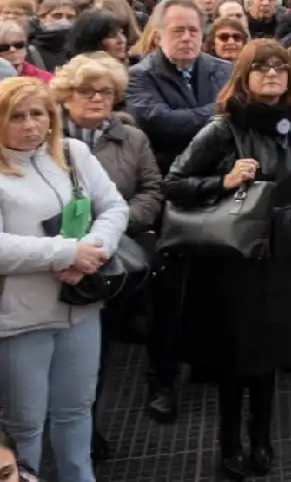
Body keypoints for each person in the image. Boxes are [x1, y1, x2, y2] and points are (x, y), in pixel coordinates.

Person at [163, 40, 291, 480]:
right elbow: (173, 182)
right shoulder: (222, 128)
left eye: (280, 67)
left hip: (280, 253)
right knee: (234, 356)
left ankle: (262, 437)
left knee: (268, 354)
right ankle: (229, 443)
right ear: (244, 75)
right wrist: (223, 180)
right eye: (261, 67)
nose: (272, 74)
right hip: (232, 258)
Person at [0, 77, 129, 482]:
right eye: (17, 116)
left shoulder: (74, 153)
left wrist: (94, 250)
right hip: (19, 319)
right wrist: (66, 252)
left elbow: (113, 207)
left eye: (38, 114)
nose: (31, 125)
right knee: (26, 426)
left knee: (76, 412)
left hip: (81, 307)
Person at [125, 0, 233, 423]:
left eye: (193, 30)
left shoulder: (222, 69)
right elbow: (157, 123)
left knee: (210, 288)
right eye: (177, 30)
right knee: (167, 296)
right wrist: (214, 116)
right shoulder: (139, 76)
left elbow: (230, 120)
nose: (187, 37)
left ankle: (203, 360)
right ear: (158, 34)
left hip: (216, 193)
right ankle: (162, 380)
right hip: (169, 198)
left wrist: (200, 119)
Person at [51, 54, 161, 461]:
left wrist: (111, 227)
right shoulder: (44, 136)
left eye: (106, 92)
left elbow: (152, 190)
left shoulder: (132, 138)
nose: (97, 98)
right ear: (66, 94)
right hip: (54, 260)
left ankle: (86, 427)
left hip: (108, 261)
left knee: (95, 355)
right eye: (87, 91)